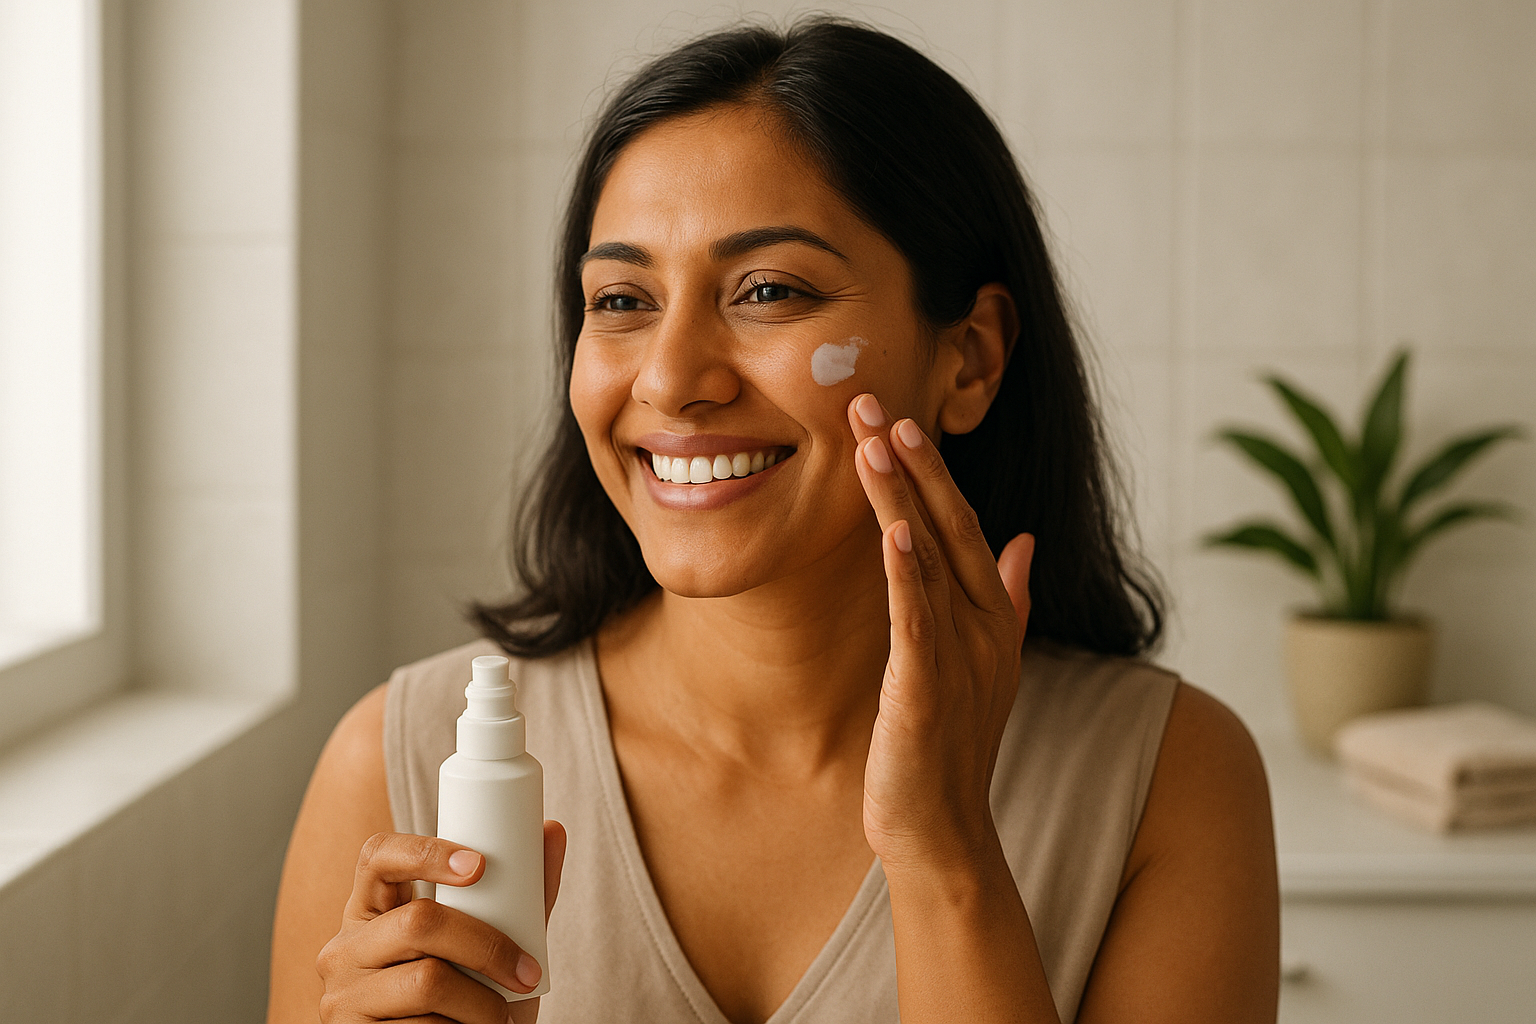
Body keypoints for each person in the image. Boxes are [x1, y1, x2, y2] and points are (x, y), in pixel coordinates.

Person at [268, 18, 1278, 1024]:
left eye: (769, 290)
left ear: (968, 358)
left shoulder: (1172, 779)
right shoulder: (395, 762)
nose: (670, 380)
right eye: (621, 299)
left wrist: (945, 852)